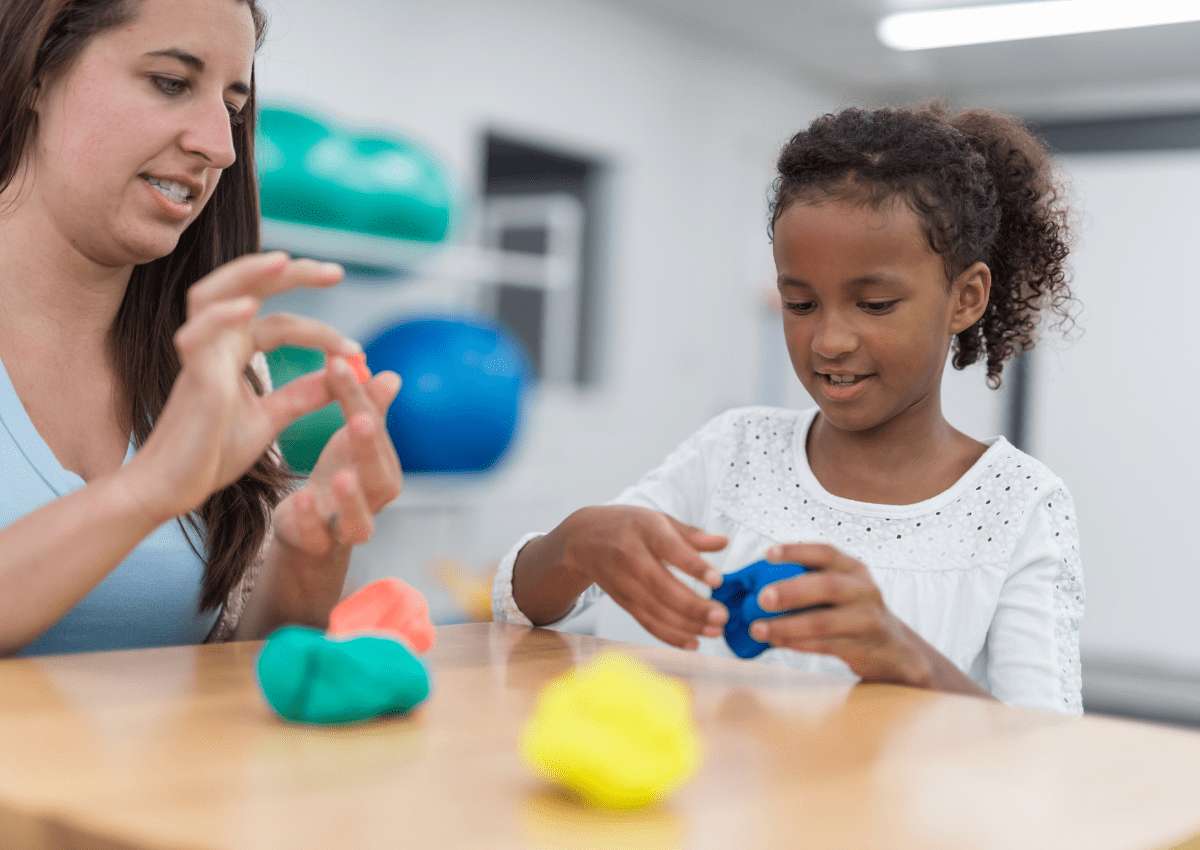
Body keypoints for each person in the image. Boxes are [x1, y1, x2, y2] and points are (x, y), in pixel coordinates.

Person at [494, 104, 1084, 714]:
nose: (829, 341)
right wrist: (573, 544)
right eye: (800, 304)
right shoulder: (735, 451)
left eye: (875, 305)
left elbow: (1054, 746)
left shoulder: (1018, 506)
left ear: (966, 297)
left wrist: (907, 658)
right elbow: (524, 609)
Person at [0, 0, 403, 656]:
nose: (220, 147)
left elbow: (231, 674)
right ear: (37, 72)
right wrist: (149, 488)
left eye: (233, 109)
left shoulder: (216, 365)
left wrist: (310, 551)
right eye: (170, 83)